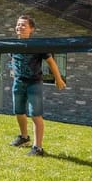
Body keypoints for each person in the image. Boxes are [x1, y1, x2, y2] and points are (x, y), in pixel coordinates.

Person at [9, 14, 65, 156]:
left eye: (23, 25)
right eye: (18, 24)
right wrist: (13, 70)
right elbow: (13, 60)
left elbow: (51, 62)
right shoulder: (11, 44)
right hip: (18, 82)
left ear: (31, 29)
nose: (19, 27)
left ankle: (37, 148)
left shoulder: (38, 45)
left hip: (34, 84)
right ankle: (24, 137)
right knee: (19, 112)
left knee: (35, 115)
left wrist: (58, 79)